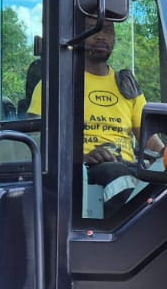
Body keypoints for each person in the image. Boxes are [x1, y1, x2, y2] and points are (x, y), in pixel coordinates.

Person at [29, 22, 146, 216]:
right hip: (80, 171)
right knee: (117, 177)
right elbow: (35, 141)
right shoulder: (55, 84)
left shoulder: (126, 86)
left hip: (128, 167)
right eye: (92, 29)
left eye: (108, 30)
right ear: (77, 36)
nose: (101, 36)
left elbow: (149, 137)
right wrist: (78, 159)